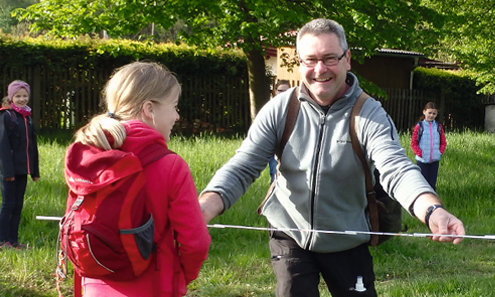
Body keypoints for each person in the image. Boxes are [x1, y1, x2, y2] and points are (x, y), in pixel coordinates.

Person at [198, 18, 465, 297]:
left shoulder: (369, 114)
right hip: (290, 234)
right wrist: (203, 207)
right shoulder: (279, 110)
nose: (319, 69)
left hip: (347, 238)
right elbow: (243, 166)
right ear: (300, 63)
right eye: (310, 60)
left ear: (347, 59)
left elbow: (396, 170)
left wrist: (432, 210)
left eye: (329, 58)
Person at [65, 61, 211, 296]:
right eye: (174, 106)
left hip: (95, 283)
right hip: (153, 285)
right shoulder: (171, 165)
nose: (177, 116)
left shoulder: (90, 153)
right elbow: (196, 243)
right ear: (149, 109)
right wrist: (181, 275)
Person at [0, 80, 40, 250]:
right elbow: (2, 145)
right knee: (8, 204)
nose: (22, 99)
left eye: (25, 95)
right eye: (18, 96)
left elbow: (32, 146)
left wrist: (34, 171)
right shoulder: (6, 116)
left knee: (18, 205)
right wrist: (8, 172)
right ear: (11, 97)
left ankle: (13, 241)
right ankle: (3, 241)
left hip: (22, 169)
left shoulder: (27, 117)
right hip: (9, 170)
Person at [410, 102, 447, 190]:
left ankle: (432, 196)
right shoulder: (419, 126)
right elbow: (413, 143)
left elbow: (443, 142)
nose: (431, 115)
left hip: (434, 160)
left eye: (434, 113)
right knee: (422, 183)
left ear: (436, 114)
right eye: (429, 113)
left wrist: (439, 152)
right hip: (422, 160)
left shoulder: (438, 126)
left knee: (432, 183)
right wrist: (420, 154)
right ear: (424, 112)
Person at [268, 79, 292, 185]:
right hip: (274, 147)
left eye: (286, 91)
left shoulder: (295, 108)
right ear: (275, 91)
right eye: (280, 90)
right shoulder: (270, 108)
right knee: (275, 174)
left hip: (290, 148)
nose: (283, 93)